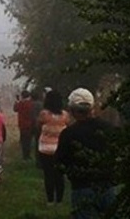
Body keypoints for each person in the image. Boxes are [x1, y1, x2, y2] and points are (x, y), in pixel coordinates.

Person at [56, 88, 117, 218]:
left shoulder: (68, 134)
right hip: (108, 187)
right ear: (92, 107)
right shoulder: (109, 129)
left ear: (72, 110)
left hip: (82, 188)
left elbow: (59, 162)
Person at [37, 89, 69, 206]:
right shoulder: (65, 115)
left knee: (48, 175)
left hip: (45, 148)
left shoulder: (44, 114)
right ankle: (59, 200)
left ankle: (50, 200)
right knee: (59, 175)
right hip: (60, 149)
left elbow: (39, 126)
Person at [13, 89, 34, 160]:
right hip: (30, 124)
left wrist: (17, 101)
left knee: (23, 140)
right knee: (29, 140)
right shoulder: (31, 103)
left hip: (22, 125)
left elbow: (15, 109)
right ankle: (28, 155)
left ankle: (25, 156)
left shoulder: (21, 103)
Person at [31, 89, 44, 168]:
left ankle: (38, 162)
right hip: (42, 126)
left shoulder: (32, 105)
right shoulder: (42, 104)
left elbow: (32, 116)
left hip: (35, 126)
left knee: (37, 144)